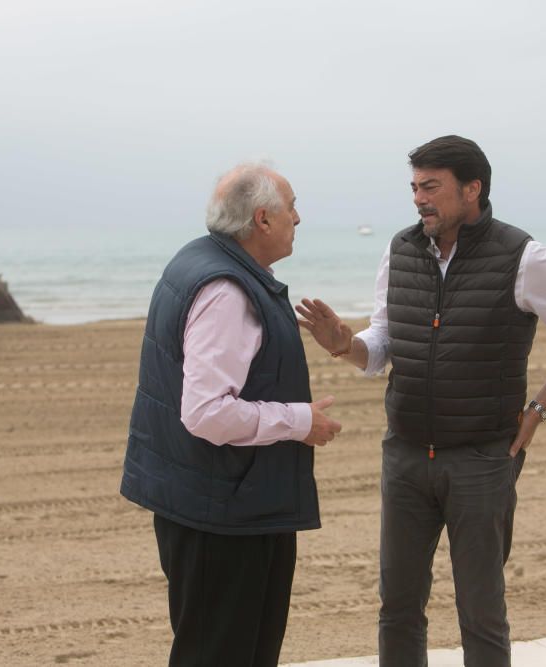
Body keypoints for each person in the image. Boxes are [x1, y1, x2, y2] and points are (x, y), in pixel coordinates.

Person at [296, 135, 546, 666]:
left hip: (482, 460)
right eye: (415, 187)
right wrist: (345, 345)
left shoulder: (523, 256)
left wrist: (539, 408)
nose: (419, 199)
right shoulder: (400, 250)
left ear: (472, 189)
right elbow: (383, 347)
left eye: (431, 187)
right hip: (407, 455)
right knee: (397, 607)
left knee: (481, 612)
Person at [120, 163, 343, 667]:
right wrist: (299, 421)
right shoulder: (227, 291)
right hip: (225, 515)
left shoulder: (199, 261)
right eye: (292, 207)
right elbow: (206, 414)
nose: (299, 218)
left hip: (212, 502)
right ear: (262, 219)